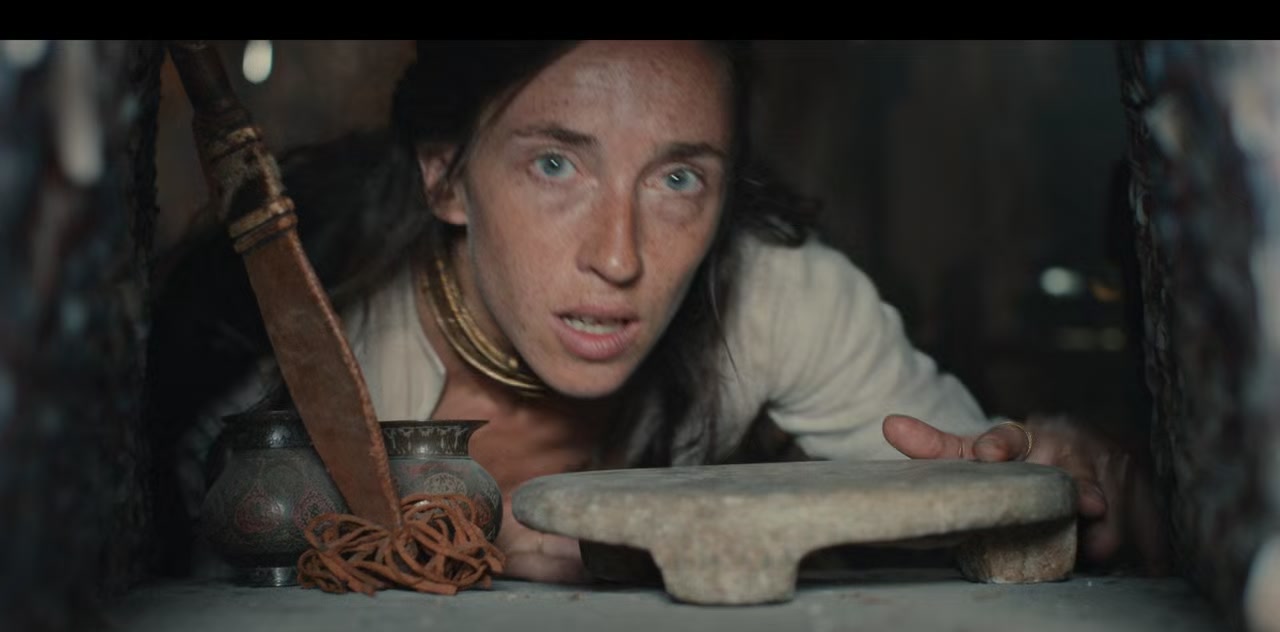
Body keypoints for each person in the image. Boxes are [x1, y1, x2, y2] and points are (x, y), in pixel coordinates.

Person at [148, 40, 1171, 584]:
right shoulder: (310, 351)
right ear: (446, 177)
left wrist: (1054, 474)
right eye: (556, 165)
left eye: (678, 179)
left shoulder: (779, 296)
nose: (618, 256)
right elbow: (203, 574)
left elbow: (975, 479)